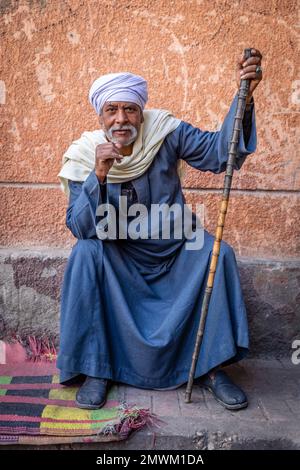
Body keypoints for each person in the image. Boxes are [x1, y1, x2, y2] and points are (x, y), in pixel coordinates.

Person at [57, 49, 263, 411]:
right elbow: (80, 226)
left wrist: (243, 98)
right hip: (120, 255)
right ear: (101, 115)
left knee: (218, 252)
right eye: (112, 110)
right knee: (86, 254)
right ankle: (97, 369)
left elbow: (219, 153)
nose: (122, 119)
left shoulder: (166, 132)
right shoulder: (86, 152)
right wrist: (98, 175)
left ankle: (211, 368)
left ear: (141, 111)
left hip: (173, 251)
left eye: (130, 109)